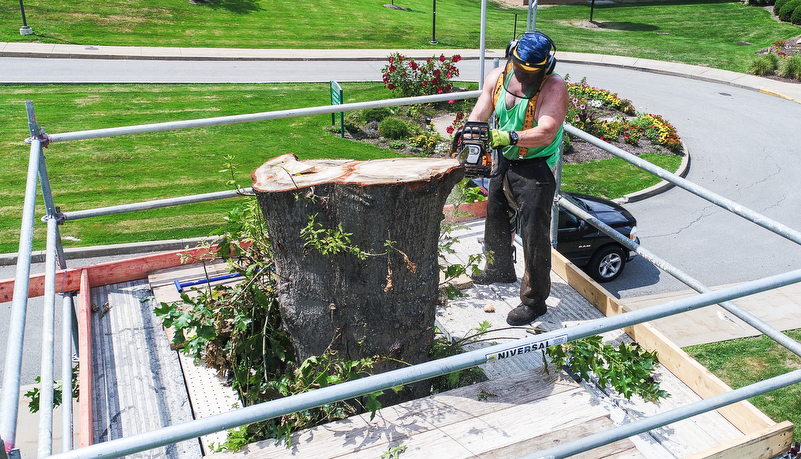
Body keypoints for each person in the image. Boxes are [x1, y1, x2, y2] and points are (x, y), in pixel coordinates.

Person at [468, 31, 568, 326]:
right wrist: (471, 138)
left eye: (530, 71)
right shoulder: (498, 77)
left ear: (546, 67)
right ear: (512, 55)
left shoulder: (553, 87)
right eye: (520, 67)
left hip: (537, 168)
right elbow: (479, 113)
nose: (523, 74)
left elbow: (547, 130)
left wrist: (509, 135)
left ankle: (535, 301)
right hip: (506, 159)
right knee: (496, 214)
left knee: (535, 234)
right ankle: (499, 270)